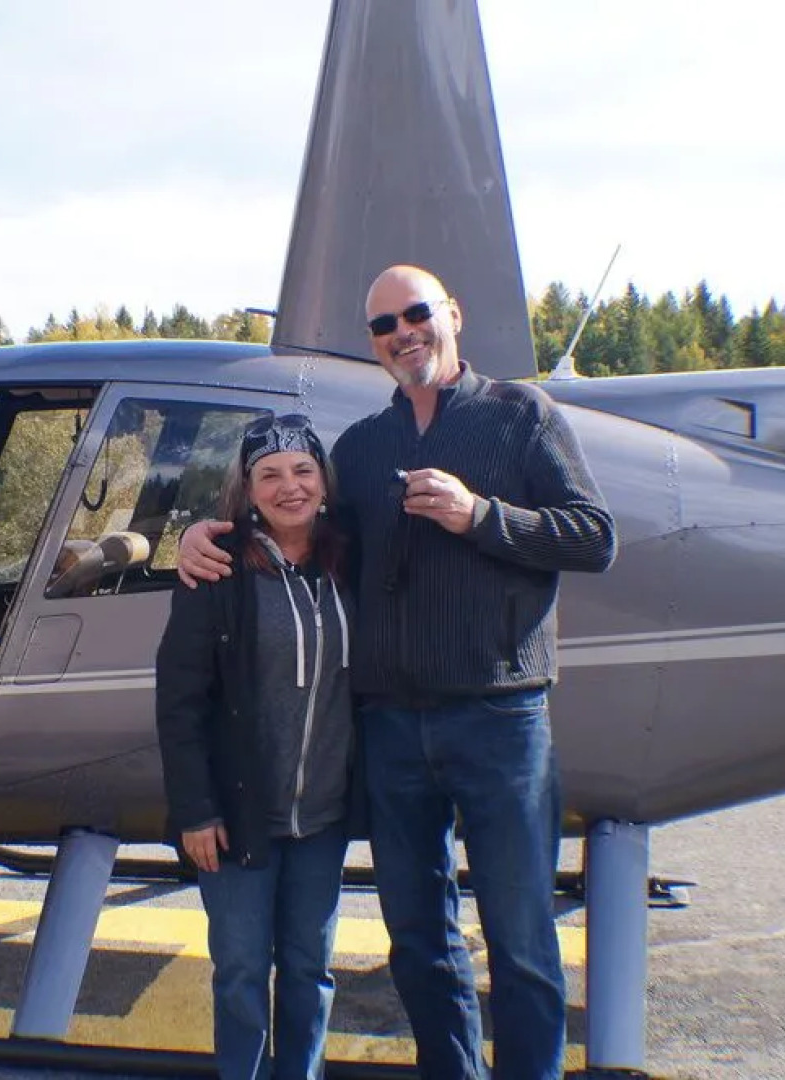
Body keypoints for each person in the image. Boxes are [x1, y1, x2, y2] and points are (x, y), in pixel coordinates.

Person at [178, 265, 616, 1080]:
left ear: (451, 315)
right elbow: (300, 532)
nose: (402, 332)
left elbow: (593, 538)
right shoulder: (363, 446)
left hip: (498, 718)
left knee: (520, 936)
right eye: (384, 324)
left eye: (416, 314)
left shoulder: (522, 415)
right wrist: (205, 538)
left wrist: (480, 516)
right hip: (389, 728)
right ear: (374, 342)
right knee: (416, 936)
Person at [156, 413, 357, 1080]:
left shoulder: (352, 564)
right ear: (246, 490)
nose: (288, 486)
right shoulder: (216, 570)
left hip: (322, 816)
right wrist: (194, 809)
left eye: (302, 470)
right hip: (237, 816)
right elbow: (179, 701)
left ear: (324, 481)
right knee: (241, 971)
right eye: (268, 475)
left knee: (308, 969)